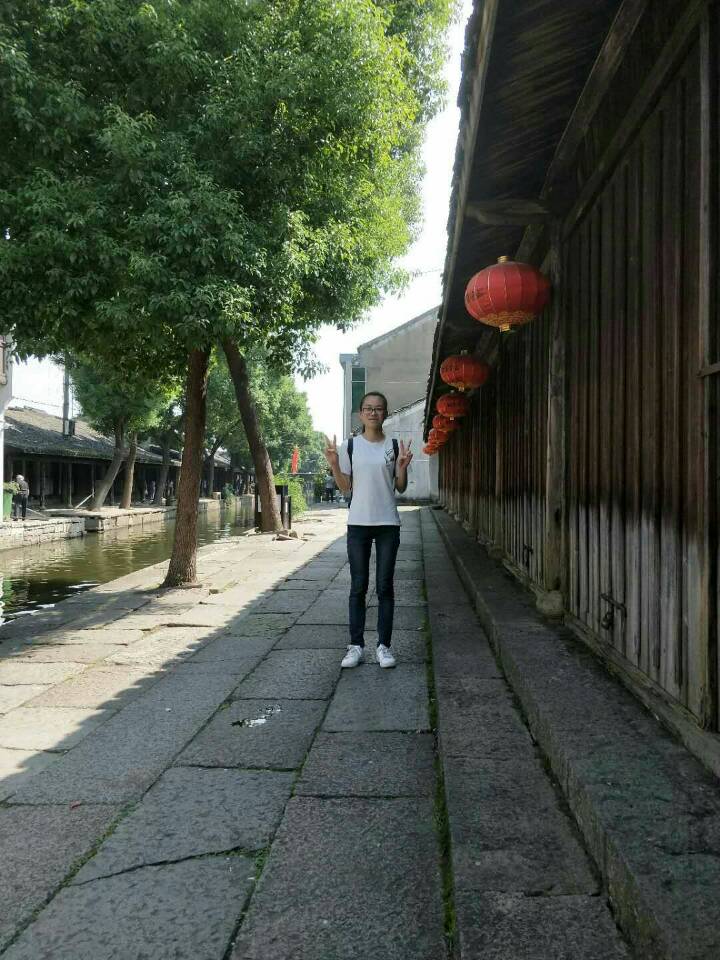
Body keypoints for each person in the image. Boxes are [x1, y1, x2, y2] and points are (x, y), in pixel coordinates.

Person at [324, 391, 413, 669]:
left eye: (378, 408)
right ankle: (356, 646)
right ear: (361, 414)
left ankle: (384, 647)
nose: (373, 413)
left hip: (387, 523)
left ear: (385, 413)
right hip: (358, 523)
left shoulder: (394, 446)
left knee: (385, 586)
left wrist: (402, 467)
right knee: (358, 586)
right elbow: (345, 487)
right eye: (368, 408)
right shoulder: (350, 446)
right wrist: (334, 464)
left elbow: (400, 487)